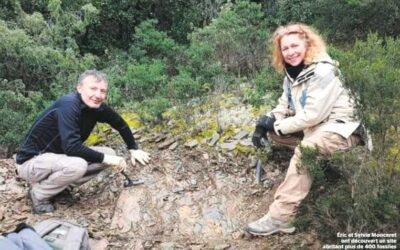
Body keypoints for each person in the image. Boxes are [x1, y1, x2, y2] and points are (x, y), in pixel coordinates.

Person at [247, 23, 364, 236]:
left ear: (308, 44)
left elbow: (313, 115)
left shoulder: (324, 71)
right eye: (285, 48)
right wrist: (265, 123)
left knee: (306, 150)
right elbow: (284, 105)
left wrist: (277, 125)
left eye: (294, 46)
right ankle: (310, 166)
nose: (290, 52)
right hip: (317, 130)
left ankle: (281, 218)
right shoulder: (291, 75)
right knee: (275, 133)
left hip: (343, 131)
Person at [15, 69, 151, 214]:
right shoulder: (68, 105)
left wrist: (133, 148)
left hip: (59, 159)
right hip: (31, 162)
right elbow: (72, 147)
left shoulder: (97, 108)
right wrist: (110, 160)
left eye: (103, 91)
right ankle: (38, 195)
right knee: (80, 164)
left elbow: (120, 124)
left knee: (108, 153)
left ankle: (61, 188)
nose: (98, 95)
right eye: (93, 88)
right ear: (79, 88)